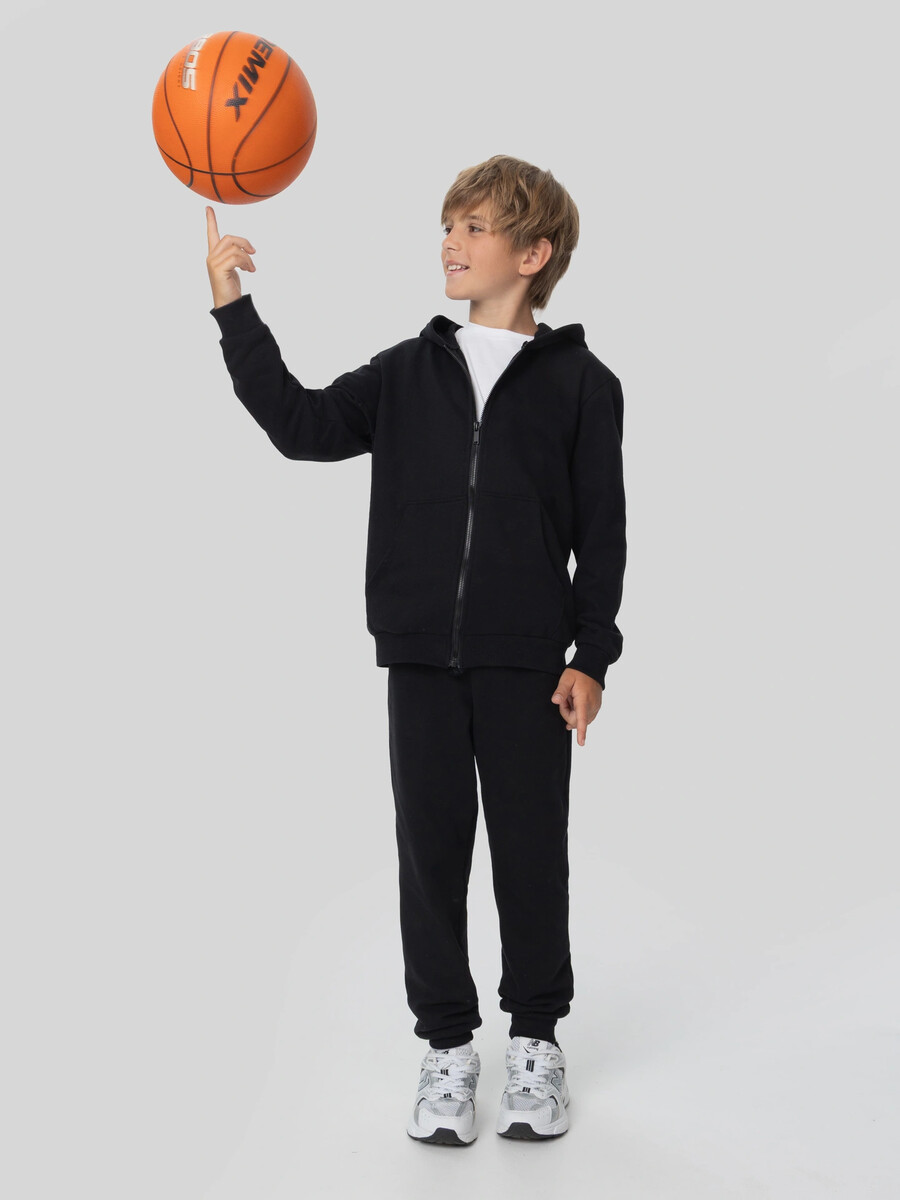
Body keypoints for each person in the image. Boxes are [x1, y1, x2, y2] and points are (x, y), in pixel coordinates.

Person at [204, 154, 627, 1144]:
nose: (450, 242)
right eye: (448, 225)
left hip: (530, 663)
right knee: (430, 856)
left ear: (534, 253)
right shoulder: (406, 371)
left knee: (530, 857)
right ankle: (447, 1048)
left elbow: (603, 534)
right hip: (419, 658)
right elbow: (302, 425)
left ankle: (536, 1043)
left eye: (475, 227)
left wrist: (591, 655)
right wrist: (233, 309)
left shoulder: (584, 385)